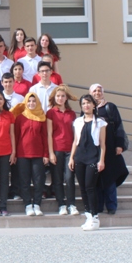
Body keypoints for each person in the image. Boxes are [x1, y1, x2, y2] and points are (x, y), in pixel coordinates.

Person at [90, 83, 129, 215]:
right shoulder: (88, 108)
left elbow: (118, 126)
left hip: (110, 148)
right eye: (94, 91)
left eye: (99, 90)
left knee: (110, 178)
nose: (97, 93)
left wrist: (119, 145)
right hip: (94, 150)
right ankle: (99, 206)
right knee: (97, 179)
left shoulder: (110, 107)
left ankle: (111, 206)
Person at [69, 94, 106, 231]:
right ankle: (88, 215)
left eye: (88, 103)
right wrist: (71, 158)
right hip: (80, 157)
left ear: (94, 105)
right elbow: (75, 141)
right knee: (83, 187)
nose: (86, 105)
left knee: (90, 187)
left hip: (93, 157)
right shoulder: (78, 122)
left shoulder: (100, 122)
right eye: (83, 103)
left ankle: (95, 216)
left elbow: (102, 144)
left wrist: (101, 160)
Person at [11, 93, 48, 217]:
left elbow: (45, 137)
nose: (31, 103)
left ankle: (37, 205)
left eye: (34, 101)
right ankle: (27, 205)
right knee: (24, 181)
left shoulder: (41, 117)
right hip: (22, 154)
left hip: (38, 154)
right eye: (29, 101)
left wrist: (46, 154)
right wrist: (15, 154)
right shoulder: (20, 118)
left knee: (38, 180)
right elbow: (16, 136)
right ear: (25, 103)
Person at [47, 85, 79, 216]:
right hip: (56, 149)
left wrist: (73, 154)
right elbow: (49, 134)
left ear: (66, 98)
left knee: (69, 177)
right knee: (57, 178)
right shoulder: (51, 113)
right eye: (58, 96)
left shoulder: (72, 114)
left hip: (69, 150)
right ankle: (61, 204)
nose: (60, 98)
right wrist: (50, 153)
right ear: (54, 98)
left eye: (62, 96)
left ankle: (71, 204)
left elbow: (75, 134)